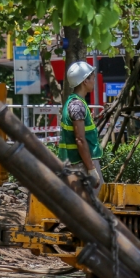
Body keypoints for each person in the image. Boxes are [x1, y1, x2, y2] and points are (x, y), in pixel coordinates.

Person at [58, 61, 103, 192]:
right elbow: (80, 139)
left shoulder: (74, 103)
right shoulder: (77, 105)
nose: (94, 81)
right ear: (85, 81)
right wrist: (91, 168)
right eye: (93, 77)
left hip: (77, 164)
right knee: (91, 207)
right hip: (80, 165)